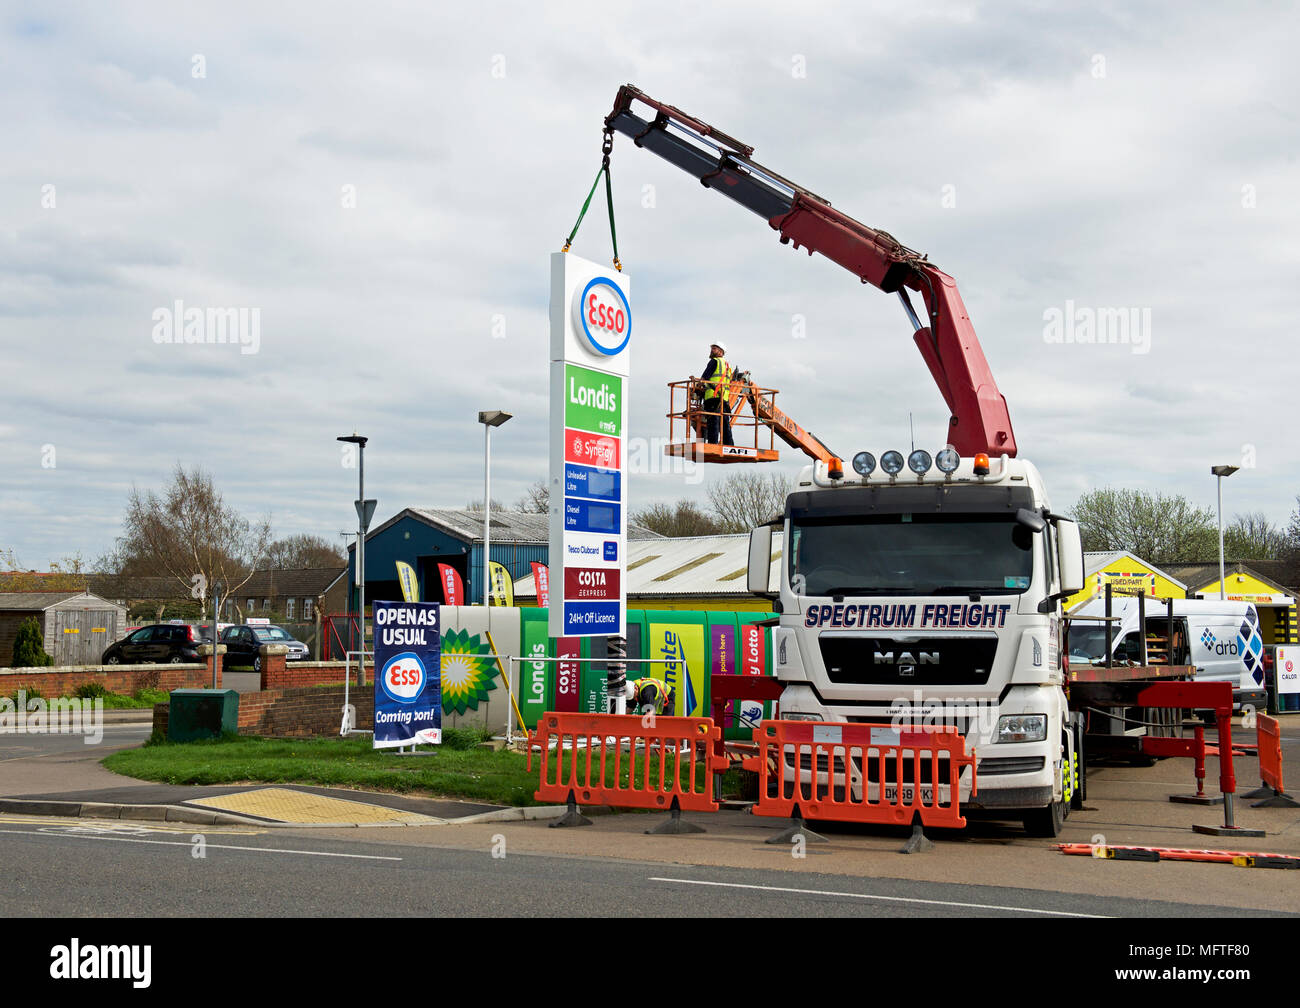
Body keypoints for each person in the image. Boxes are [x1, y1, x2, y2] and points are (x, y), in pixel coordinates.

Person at [699, 342, 734, 446]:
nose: (712, 350)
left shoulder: (714, 361)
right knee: (724, 423)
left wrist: (698, 386)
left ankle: (712, 445)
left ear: (720, 351)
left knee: (713, 421)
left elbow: (704, 378)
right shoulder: (727, 365)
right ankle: (729, 444)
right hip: (723, 398)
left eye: (714, 348)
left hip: (713, 397)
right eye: (712, 348)